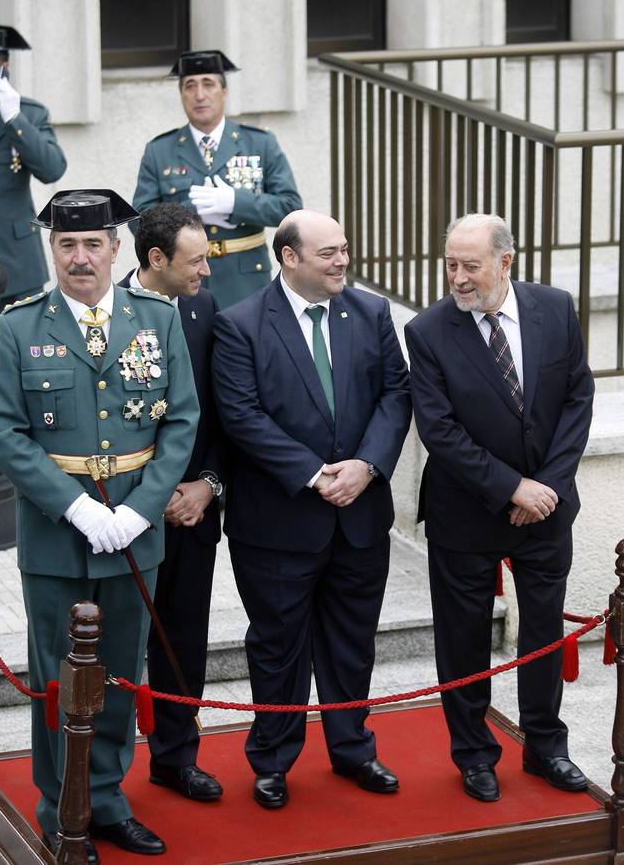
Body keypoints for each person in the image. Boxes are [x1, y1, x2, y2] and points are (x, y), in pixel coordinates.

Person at [0, 189, 200, 860]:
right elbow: (3, 428)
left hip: (134, 533)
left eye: (92, 244)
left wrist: (140, 509)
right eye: (65, 245)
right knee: (57, 680)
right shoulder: (19, 326)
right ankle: (59, 804)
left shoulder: (157, 319)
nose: (79, 257)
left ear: (116, 248)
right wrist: (74, 505)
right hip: (57, 536)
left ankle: (105, 799)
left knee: (116, 673)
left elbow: (182, 421)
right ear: (51, 249)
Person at [212, 209, 411, 809]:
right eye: (328, 252)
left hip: (360, 517)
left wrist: (367, 465)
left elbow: (396, 393)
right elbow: (240, 415)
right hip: (277, 524)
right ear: (289, 258)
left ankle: (354, 749)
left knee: (353, 642)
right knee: (278, 647)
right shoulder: (240, 325)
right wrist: (313, 475)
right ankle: (273, 760)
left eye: (344, 248)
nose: (342, 261)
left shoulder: (371, 313)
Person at [404, 213, 595, 803]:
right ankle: (474, 755)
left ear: (505, 262)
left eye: (471, 266)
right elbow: (440, 431)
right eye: (451, 265)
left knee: (541, 633)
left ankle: (545, 747)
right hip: (467, 513)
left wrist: (549, 489)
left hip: (547, 512)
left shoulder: (555, 308)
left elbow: (576, 401)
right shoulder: (428, 331)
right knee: (462, 642)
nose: (459, 278)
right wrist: (514, 488)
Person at [119, 202, 224, 802]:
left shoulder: (203, 310)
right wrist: (145, 497)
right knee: (111, 643)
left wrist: (208, 483)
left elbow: (217, 410)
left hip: (189, 512)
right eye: (197, 259)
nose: (207, 272)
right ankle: (98, 770)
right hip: (121, 515)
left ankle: (175, 757)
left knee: (182, 635)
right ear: (155, 260)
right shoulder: (106, 311)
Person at [132, 50, 302, 309]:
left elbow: (290, 208)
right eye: (190, 86)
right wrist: (187, 216)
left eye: (208, 84)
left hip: (244, 280)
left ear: (224, 91)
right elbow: (139, 221)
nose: (200, 94)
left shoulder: (259, 143)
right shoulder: (159, 150)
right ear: (182, 96)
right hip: (181, 281)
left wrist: (236, 203)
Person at [0, 25, 66, 307]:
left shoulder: (29, 113)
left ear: (3, 68)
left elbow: (52, 169)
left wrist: (14, 119)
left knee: (23, 347)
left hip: (16, 263)